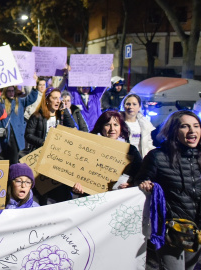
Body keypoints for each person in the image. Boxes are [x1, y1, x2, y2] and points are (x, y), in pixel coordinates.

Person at [135, 110, 201, 270]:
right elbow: (140, 180)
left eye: (196, 126)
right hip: (171, 230)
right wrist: (145, 184)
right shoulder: (157, 156)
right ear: (173, 131)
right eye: (185, 126)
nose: (192, 131)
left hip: (197, 230)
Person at [71, 110, 143, 194]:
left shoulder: (130, 150)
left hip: (120, 197)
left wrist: (132, 184)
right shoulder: (89, 148)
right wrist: (77, 188)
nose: (112, 128)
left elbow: (141, 173)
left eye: (115, 125)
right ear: (101, 127)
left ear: (120, 127)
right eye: (107, 125)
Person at [0, 85, 38, 164]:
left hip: (17, 136)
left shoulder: (19, 101)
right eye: (9, 91)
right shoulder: (1, 102)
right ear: (5, 92)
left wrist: (34, 88)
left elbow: (31, 99)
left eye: (13, 91)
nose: (11, 93)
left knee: (15, 159)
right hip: (5, 135)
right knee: (5, 158)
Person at [120, 93, 156, 158]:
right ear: (124, 106)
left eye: (134, 104)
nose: (131, 107)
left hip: (140, 160)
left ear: (139, 107)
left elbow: (149, 144)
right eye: (128, 104)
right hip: (122, 159)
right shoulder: (117, 123)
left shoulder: (145, 124)